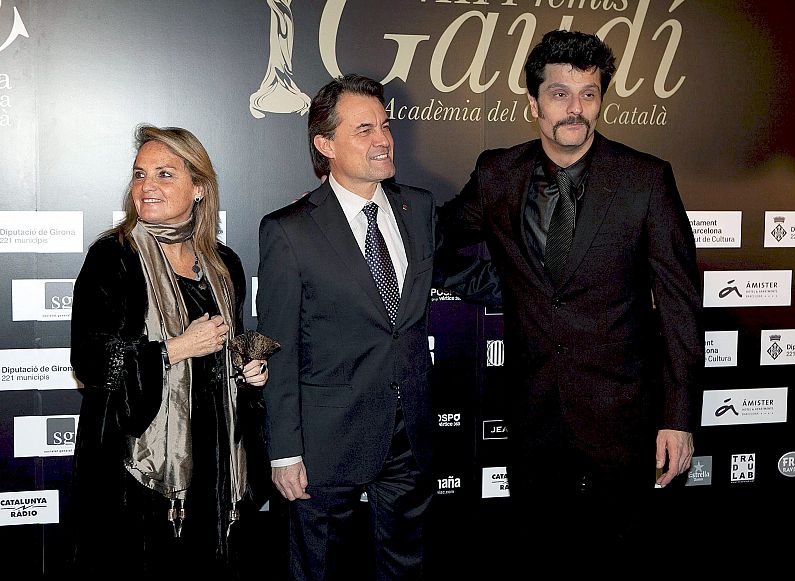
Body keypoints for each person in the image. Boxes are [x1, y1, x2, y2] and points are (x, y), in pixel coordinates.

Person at [436, 30, 704, 559]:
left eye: (589, 94)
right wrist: (504, 287)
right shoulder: (498, 174)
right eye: (560, 94)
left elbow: (679, 305)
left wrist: (677, 417)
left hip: (622, 417)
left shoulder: (645, 180)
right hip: (532, 414)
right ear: (533, 102)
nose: (576, 109)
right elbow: (439, 245)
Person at [256, 74, 437, 581]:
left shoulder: (418, 208)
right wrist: (285, 451)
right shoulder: (288, 230)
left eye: (384, 125)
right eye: (363, 130)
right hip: (324, 441)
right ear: (325, 144)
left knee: (406, 567)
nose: (382, 139)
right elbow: (278, 350)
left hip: (408, 433)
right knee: (322, 570)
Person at [69, 124, 270, 579]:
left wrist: (247, 368)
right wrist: (177, 348)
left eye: (164, 174)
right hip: (137, 470)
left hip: (215, 461)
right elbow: (91, 360)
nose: (146, 187)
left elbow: (228, 342)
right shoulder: (114, 257)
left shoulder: (224, 264)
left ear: (199, 187)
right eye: (140, 175)